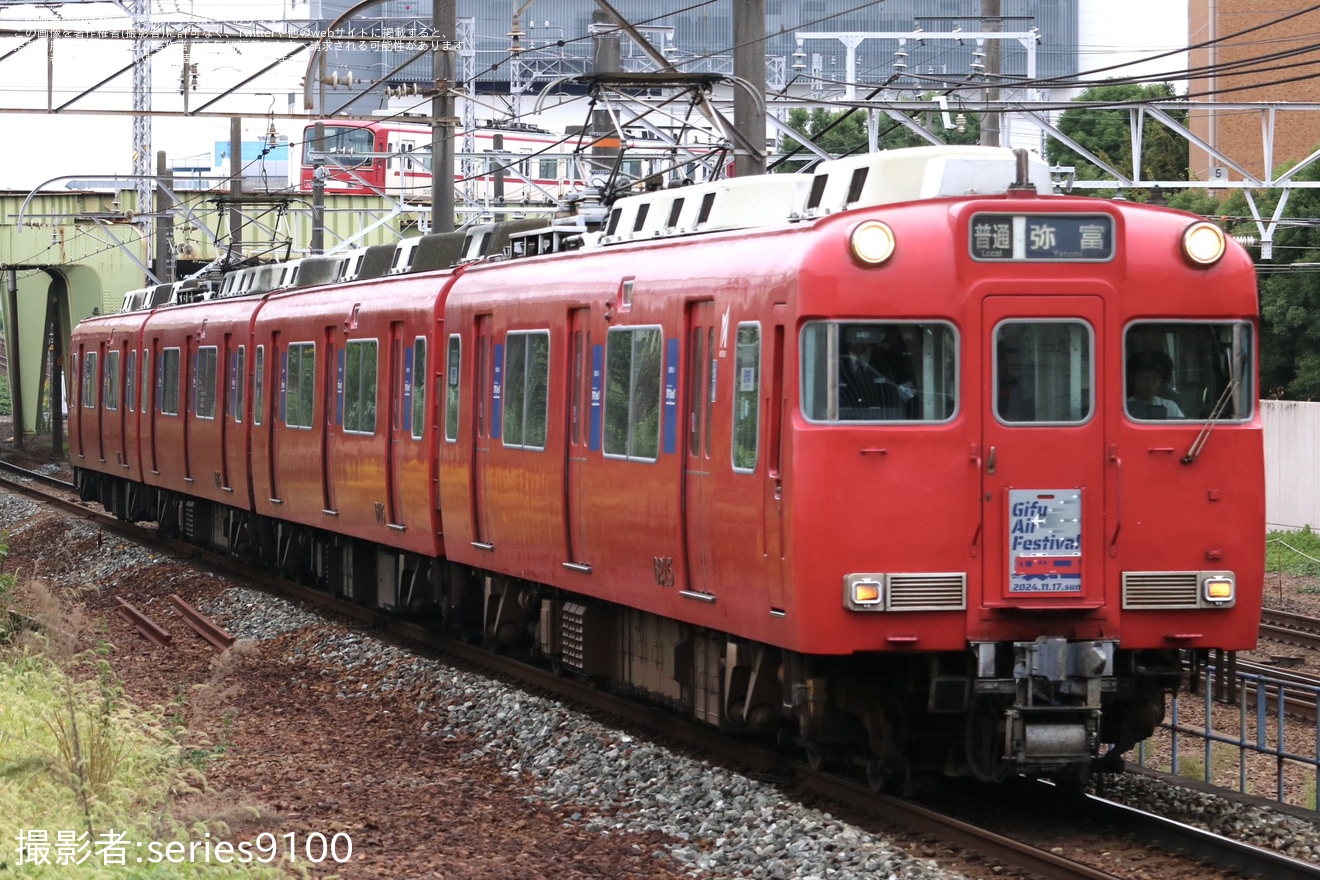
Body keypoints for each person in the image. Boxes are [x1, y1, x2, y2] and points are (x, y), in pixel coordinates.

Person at [1127, 350, 1185, 418]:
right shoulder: (1125, 407)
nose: (1149, 383)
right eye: (1143, 378)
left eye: (1155, 378)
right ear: (1132, 381)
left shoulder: (1170, 406)